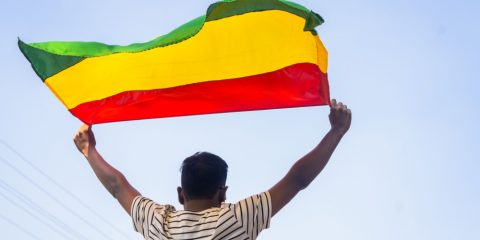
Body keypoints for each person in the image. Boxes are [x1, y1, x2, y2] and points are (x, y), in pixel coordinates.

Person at [73, 99, 352, 240]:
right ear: (223, 194)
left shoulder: (161, 225)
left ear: (181, 194)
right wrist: (336, 132)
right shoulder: (236, 219)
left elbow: (117, 187)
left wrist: (89, 151)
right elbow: (298, 179)